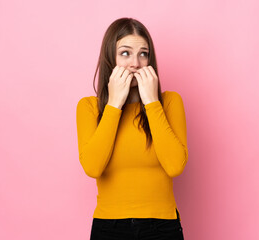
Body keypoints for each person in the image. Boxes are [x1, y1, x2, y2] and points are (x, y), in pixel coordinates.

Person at [76, 17, 188, 240]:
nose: (135, 63)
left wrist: (151, 102)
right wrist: (114, 105)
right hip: (109, 227)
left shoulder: (170, 103)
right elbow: (92, 167)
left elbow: (175, 166)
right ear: (110, 58)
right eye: (125, 53)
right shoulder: (88, 107)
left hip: (162, 226)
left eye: (143, 53)